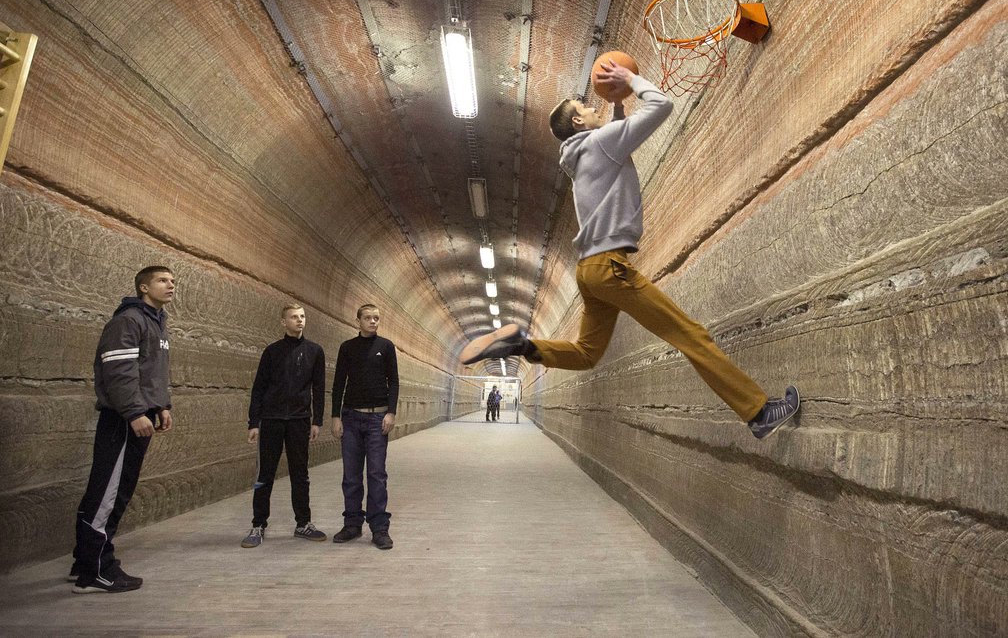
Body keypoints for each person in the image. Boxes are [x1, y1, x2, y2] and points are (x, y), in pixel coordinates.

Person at [461, 63, 799, 440]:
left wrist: (618, 108)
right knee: (690, 335)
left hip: (589, 271)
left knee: (587, 352)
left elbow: (613, 146)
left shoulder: (581, 154)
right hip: (610, 267)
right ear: (577, 123)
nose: (593, 107)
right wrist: (630, 82)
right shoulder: (601, 143)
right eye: (585, 106)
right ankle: (758, 412)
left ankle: (523, 346)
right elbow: (661, 106)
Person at [70, 266, 176, 594]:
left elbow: (148, 373)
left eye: (173, 281)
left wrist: (160, 405)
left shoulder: (156, 323)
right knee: (107, 494)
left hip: (139, 414)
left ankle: (82, 562)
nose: (170, 285)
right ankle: (96, 570)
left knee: (113, 490)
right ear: (144, 286)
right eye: (163, 280)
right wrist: (133, 412)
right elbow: (119, 370)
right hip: (122, 419)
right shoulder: (129, 320)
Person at [240, 304, 327, 549]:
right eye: (294, 317)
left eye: (302, 317)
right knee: (265, 474)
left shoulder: (314, 351)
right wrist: (254, 422)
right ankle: (258, 524)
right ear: (283, 322)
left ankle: (303, 523)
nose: (299, 321)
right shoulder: (272, 352)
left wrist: (317, 420)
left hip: (300, 421)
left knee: (300, 474)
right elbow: (259, 388)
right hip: (271, 420)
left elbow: (319, 389)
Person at [330, 304, 398, 550]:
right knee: (351, 475)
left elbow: (394, 382)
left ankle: (379, 528)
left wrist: (391, 412)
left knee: (377, 474)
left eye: (376, 318)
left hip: (377, 419)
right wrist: (335, 416)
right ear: (357, 320)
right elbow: (339, 383)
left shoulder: (386, 347)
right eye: (368, 318)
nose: (373, 322)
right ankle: (352, 524)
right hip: (351, 418)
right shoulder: (347, 348)